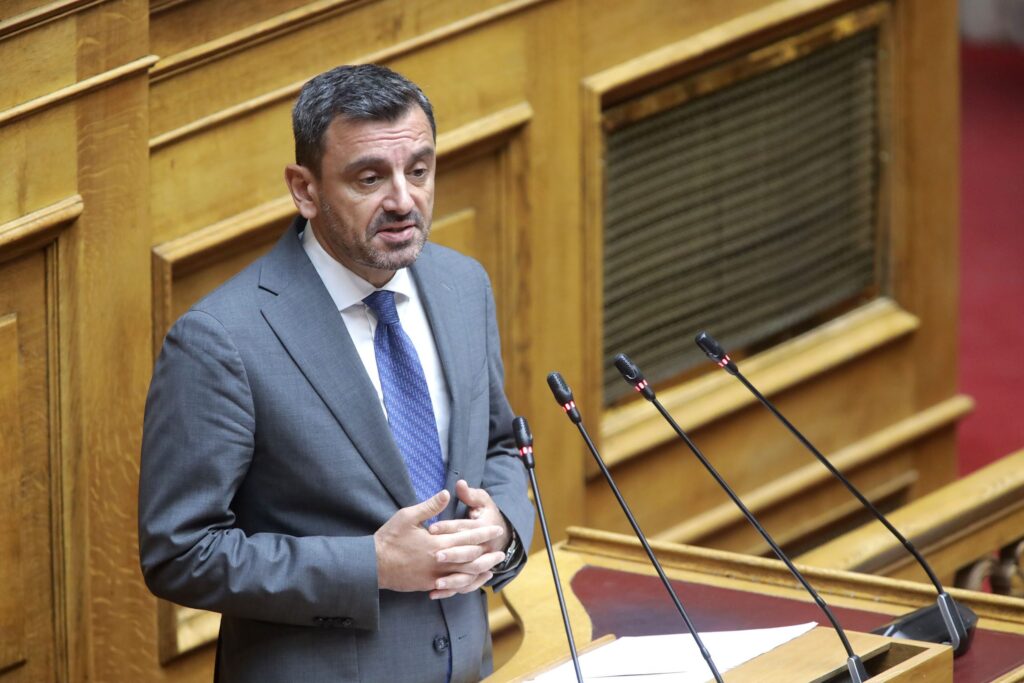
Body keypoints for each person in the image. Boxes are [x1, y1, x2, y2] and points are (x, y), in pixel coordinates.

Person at [138, 64, 533, 683]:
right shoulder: (221, 340)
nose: (403, 200)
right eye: (369, 178)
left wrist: (502, 528)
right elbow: (180, 552)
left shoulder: (463, 285)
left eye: (419, 170)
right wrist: (370, 565)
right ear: (305, 189)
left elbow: (500, 445)